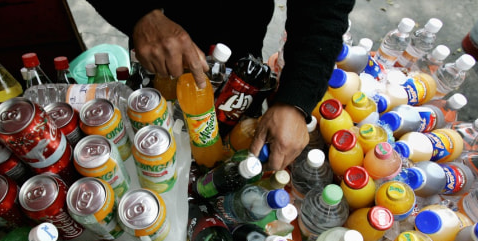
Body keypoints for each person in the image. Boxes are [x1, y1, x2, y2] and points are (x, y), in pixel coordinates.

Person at [87, 0, 355, 170]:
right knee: (152, 141)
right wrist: (138, 13)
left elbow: (324, 10)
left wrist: (296, 100)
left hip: (239, 61)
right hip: (159, 55)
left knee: (228, 148)